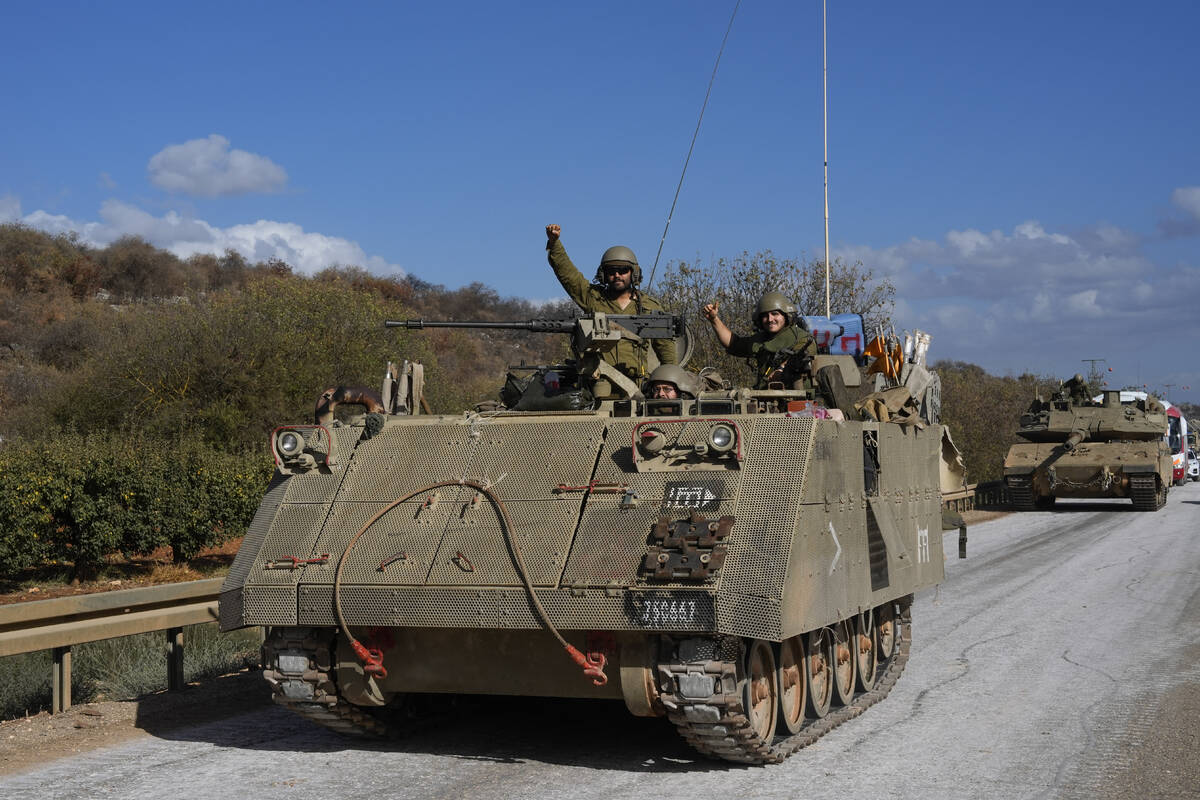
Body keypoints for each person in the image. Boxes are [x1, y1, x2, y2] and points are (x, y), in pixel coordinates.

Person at [546, 224, 676, 381]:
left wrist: (671, 382)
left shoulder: (649, 307)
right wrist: (555, 244)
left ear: (633, 273)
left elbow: (667, 353)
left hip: (637, 386)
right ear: (603, 274)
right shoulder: (594, 298)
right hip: (598, 382)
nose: (617, 275)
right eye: (611, 271)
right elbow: (569, 276)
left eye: (623, 271)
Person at [701, 291, 817, 389]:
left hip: (797, 402)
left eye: (775, 314)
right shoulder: (760, 340)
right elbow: (733, 344)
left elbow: (800, 355)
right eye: (765, 316)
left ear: (786, 315)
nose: (770, 319)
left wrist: (781, 369)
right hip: (764, 398)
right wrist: (714, 319)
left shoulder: (802, 338)